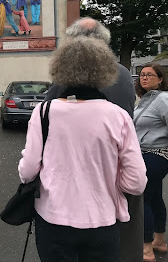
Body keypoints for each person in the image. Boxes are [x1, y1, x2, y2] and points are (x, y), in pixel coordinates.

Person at [19, 37, 147, 261]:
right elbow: (136, 182)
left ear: (60, 69)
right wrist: (111, 185)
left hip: (53, 218)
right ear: (105, 70)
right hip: (103, 220)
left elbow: (28, 170)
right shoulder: (118, 116)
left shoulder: (44, 112)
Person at [133, 63, 168, 262]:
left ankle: (146, 250)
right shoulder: (145, 100)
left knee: (143, 198)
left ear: (161, 79)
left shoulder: (163, 99)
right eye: (142, 75)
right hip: (144, 155)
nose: (144, 78)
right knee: (154, 197)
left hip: (155, 155)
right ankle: (159, 241)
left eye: (150, 75)